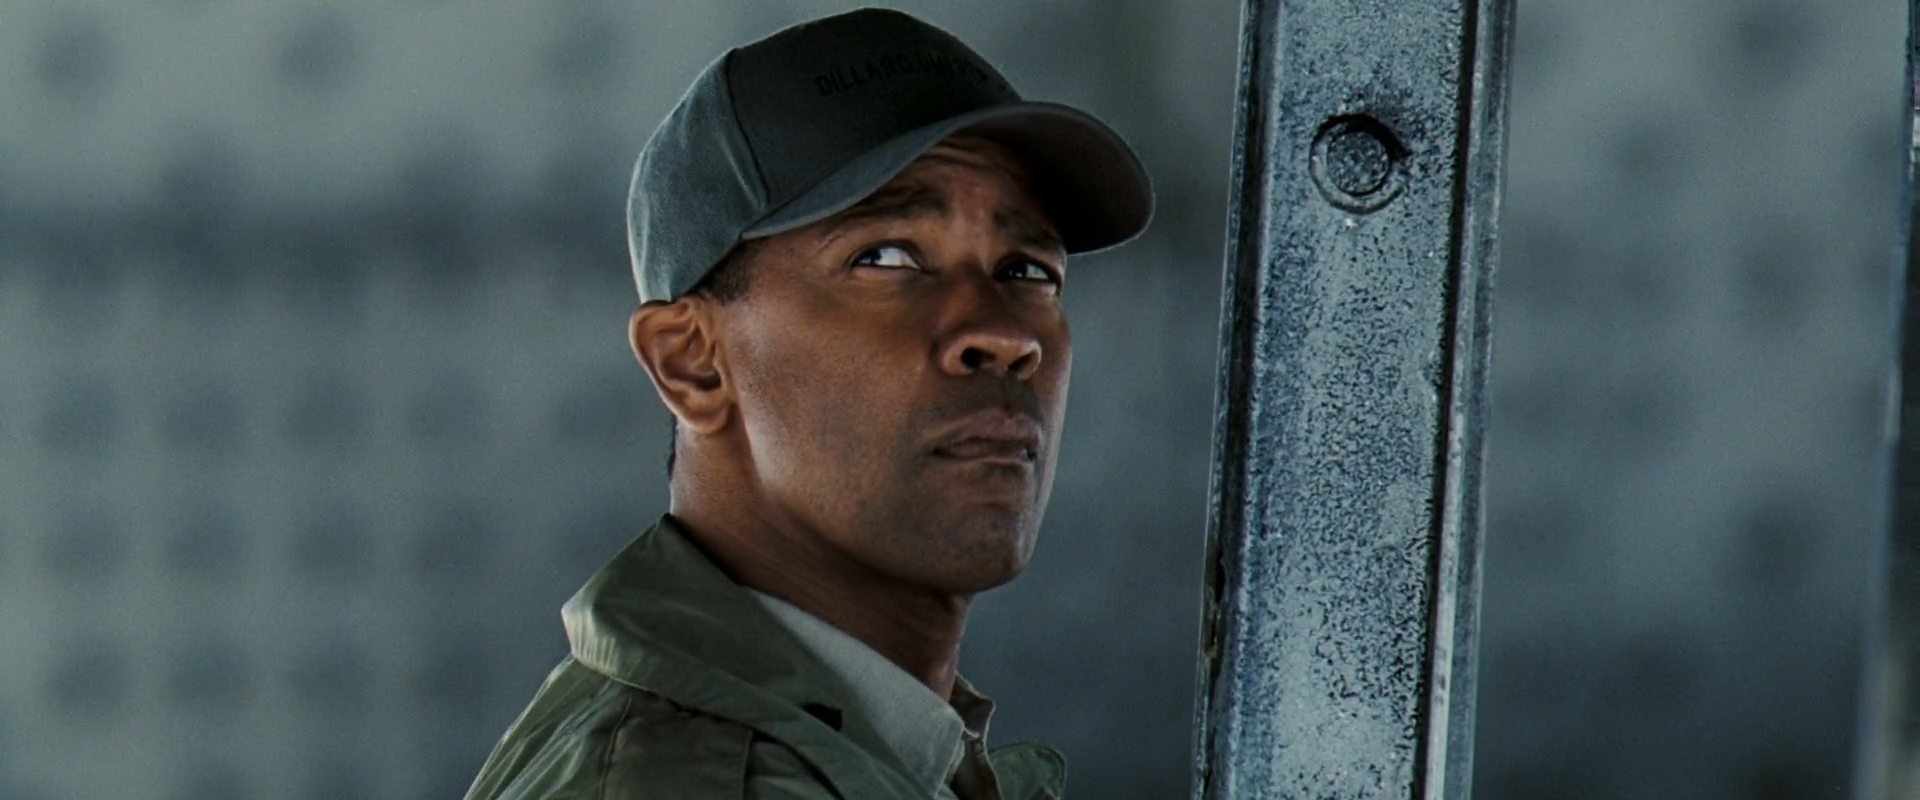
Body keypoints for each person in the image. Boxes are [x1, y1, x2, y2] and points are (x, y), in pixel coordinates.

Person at [463, 7, 1152, 799]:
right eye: (887, 257)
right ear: (691, 363)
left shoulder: (871, 753)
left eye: (1027, 271)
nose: (1002, 335)